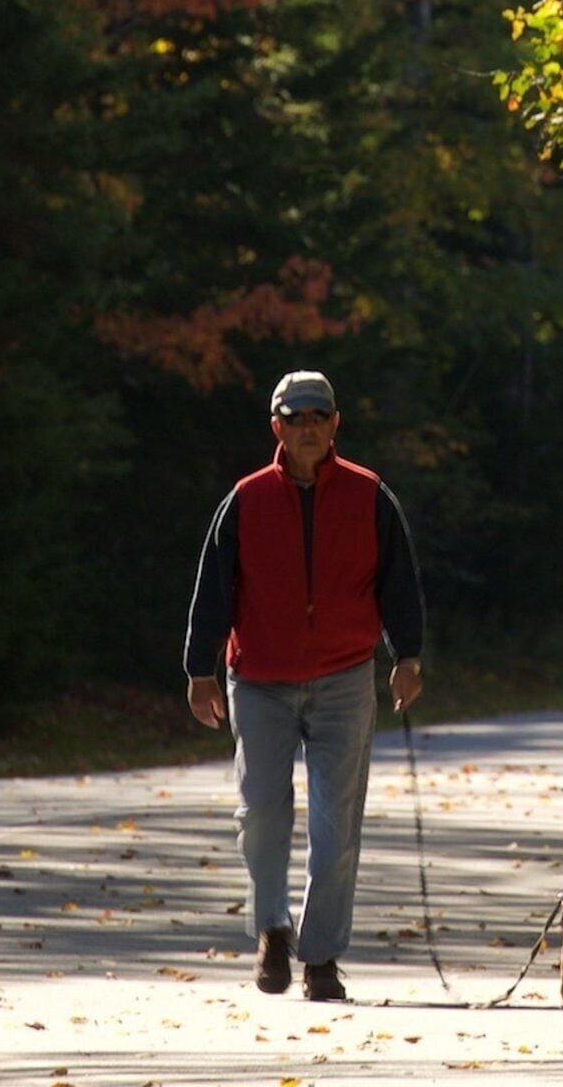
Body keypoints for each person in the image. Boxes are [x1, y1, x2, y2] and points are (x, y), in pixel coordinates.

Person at [184, 369, 427, 1003]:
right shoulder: (246, 499)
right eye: (296, 418)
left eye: (319, 416)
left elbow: (399, 584)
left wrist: (407, 656)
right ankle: (271, 930)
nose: (308, 427)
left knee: (334, 825)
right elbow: (214, 588)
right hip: (258, 679)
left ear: (335, 424)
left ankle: (320, 958)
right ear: (277, 428)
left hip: (345, 676)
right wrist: (198, 669)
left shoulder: (371, 495)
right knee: (262, 815)